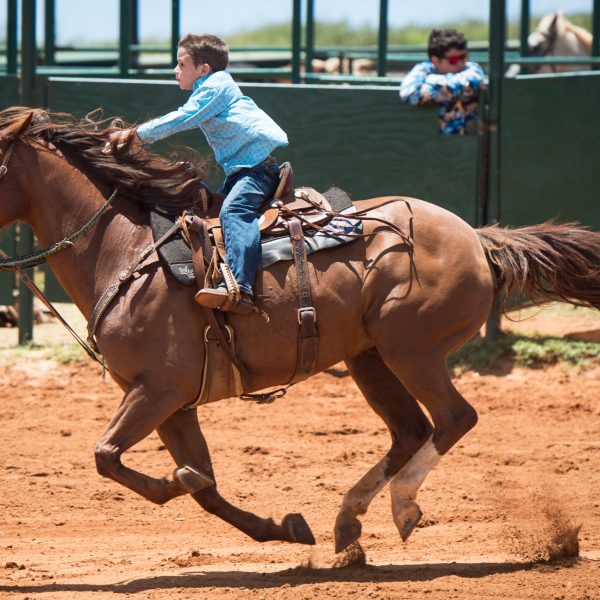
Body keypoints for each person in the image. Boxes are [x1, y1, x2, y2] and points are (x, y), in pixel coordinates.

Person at [105, 34, 288, 314]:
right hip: (243, 172)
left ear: (203, 69)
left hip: (255, 172)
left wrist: (135, 135)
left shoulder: (216, 85)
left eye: (181, 64)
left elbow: (182, 117)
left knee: (234, 212)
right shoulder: (211, 87)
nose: (175, 70)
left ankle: (241, 289)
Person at [399, 28, 484, 135]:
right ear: (436, 60)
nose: (461, 63)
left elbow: (462, 85)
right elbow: (409, 92)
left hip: (466, 144)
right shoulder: (424, 69)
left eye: (464, 57)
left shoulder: (472, 69)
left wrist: (430, 84)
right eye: (453, 60)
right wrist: (442, 89)